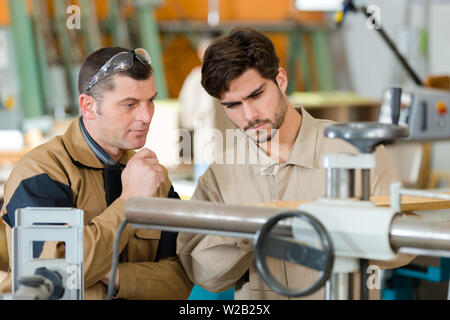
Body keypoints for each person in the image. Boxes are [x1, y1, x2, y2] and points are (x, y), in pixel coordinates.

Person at [176, 28, 414, 300]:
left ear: (280, 79)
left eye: (256, 95)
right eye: (232, 105)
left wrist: (342, 229)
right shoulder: (221, 174)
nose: (249, 114)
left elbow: (405, 248)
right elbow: (202, 273)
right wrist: (248, 232)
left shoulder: (354, 151)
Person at [0, 47, 192, 299]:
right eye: (130, 104)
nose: (146, 116)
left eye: (150, 101)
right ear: (88, 106)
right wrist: (129, 202)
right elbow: (49, 277)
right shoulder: (41, 172)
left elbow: (181, 280)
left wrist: (108, 272)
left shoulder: (155, 177)